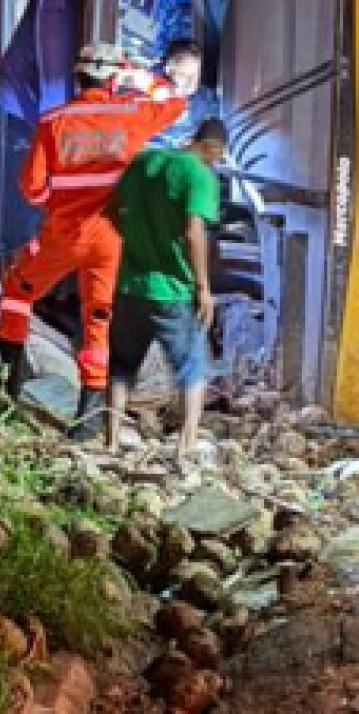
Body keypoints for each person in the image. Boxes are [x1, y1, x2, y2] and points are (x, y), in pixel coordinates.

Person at [0, 42, 189, 439]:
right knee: (99, 316)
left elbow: (31, 187)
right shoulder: (132, 114)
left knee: (16, 290)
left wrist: (58, 202)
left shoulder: (54, 122)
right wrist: (140, 75)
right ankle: (89, 417)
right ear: (115, 78)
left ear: (77, 78)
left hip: (64, 232)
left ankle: (4, 386)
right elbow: (175, 101)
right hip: (113, 236)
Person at [106, 117, 229, 469]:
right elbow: (194, 230)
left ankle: (111, 443)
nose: (216, 163)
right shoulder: (199, 175)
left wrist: (138, 243)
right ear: (212, 147)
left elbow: (113, 211)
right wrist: (203, 287)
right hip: (173, 290)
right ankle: (185, 449)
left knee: (122, 366)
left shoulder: (142, 162)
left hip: (130, 285)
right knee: (193, 367)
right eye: (218, 156)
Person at [146, 40, 222, 150]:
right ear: (168, 71)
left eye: (194, 76)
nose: (190, 83)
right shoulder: (147, 91)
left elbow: (213, 125)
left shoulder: (205, 99)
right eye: (184, 76)